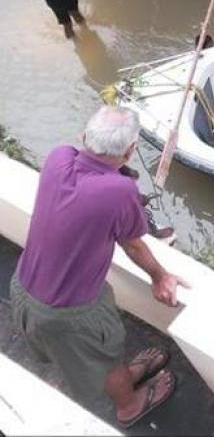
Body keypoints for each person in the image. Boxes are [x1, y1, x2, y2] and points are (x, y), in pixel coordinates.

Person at [10, 106, 186, 426]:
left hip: (24, 286)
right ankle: (129, 405)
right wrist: (160, 276)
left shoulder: (58, 157)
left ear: (83, 137)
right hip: (68, 311)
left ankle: (124, 374)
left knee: (100, 352)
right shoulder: (120, 191)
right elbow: (132, 243)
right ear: (131, 150)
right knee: (105, 355)